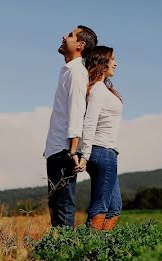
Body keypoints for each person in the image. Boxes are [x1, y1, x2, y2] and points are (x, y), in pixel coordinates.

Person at [43, 25, 97, 228]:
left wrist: (73, 151)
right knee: (56, 209)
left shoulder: (76, 73)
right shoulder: (67, 71)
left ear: (80, 45)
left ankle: (68, 258)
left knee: (63, 209)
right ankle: (58, 256)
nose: (64, 36)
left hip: (64, 151)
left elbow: (76, 111)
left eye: (71, 35)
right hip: (56, 149)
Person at [78, 46, 123, 230]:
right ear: (102, 62)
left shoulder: (102, 88)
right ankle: (90, 252)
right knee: (102, 205)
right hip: (101, 151)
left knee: (114, 207)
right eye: (112, 59)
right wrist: (85, 155)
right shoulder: (97, 89)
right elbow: (89, 122)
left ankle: (101, 252)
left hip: (107, 152)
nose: (116, 63)